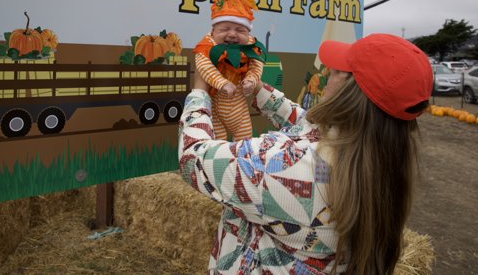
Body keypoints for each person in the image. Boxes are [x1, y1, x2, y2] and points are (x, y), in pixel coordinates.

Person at [178, 33, 433, 274]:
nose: (326, 77)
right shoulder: (380, 160)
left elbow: (193, 157)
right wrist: (258, 90)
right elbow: (308, 126)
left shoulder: (281, 169)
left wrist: (200, 90)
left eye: (334, 71)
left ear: (349, 93)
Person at [192, 0, 266, 141]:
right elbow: (204, 66)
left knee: (244, 142)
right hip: (215, 110)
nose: (232, 34)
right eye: (224, 29)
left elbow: (257, 64)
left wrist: (251, 80)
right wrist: (222, 83)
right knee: (218, 146)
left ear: (248, 32)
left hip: (239, 111)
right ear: (213, 31)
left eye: (240, 30)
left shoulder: (251, 45)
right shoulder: (207, 45)